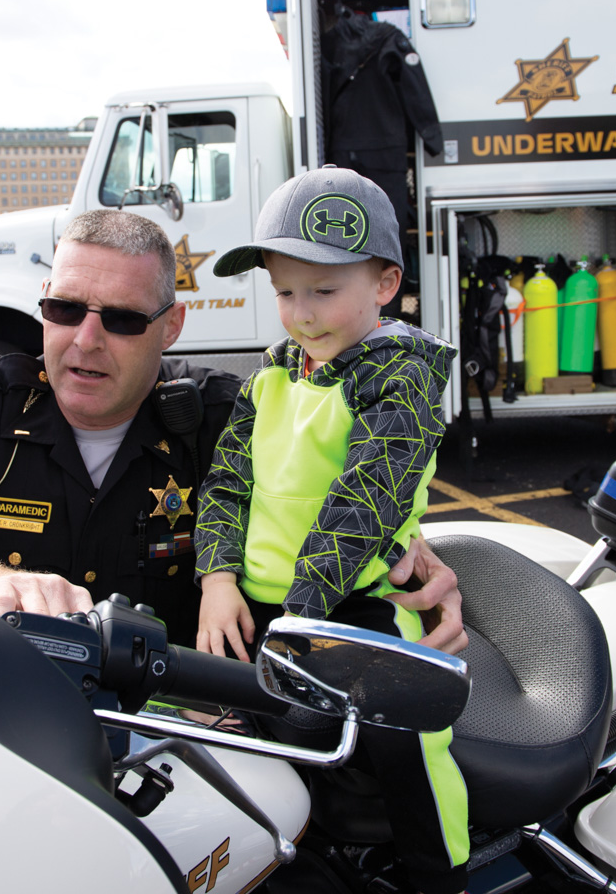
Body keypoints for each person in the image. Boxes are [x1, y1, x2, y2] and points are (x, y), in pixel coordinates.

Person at [0, 208, 467, 655]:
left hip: (182, 731)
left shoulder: (225, 415)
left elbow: (346, 488)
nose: (85, 340)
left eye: (121, 319)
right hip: (11, 711)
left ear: (171, 326)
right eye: (65, 309)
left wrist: (414, 559)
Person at [193, 166, 466, 894]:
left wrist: (301, 617)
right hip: (259, 608)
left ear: (385, 284)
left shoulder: (402, 376)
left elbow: (363, 503)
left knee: (411, 748)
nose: (303, 315)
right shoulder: (272, 376)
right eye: (285, 293)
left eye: (323, 291)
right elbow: (228, 483)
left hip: (353, 609)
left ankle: (441, 876)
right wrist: (217, 578)